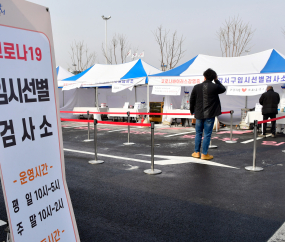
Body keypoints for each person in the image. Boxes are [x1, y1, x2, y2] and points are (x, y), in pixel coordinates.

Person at [190, 68, 226, 160]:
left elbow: (192, 100)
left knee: (198, 133)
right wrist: (216, 80)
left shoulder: (196, 87)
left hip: (198, 114)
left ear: (204, 77)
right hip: (210, 114)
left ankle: (196, 152)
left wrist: (191, 110)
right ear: (213, 77)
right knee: (207, 134)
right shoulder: (215, 87)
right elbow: (223, 89)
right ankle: (204, 154)